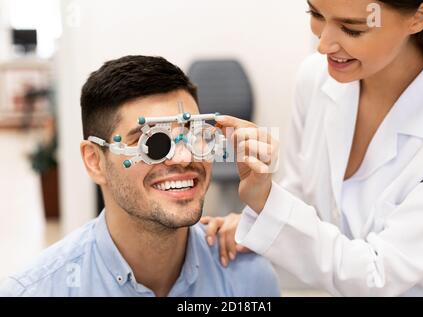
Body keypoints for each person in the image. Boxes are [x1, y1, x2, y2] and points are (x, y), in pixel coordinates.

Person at [203, 0, 423, 296]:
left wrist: (271, 208)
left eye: (352, 29)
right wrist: (257, 222)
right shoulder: (315, 77)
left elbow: (378, 275)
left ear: (417, 18)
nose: (323, 45)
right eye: (317, 14)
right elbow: (302, 191)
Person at [0, 56, 280, 297]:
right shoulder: (39, 290)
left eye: (195, 135)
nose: (184, 158)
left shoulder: (247, 278)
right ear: (95, 161)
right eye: (154, 143)